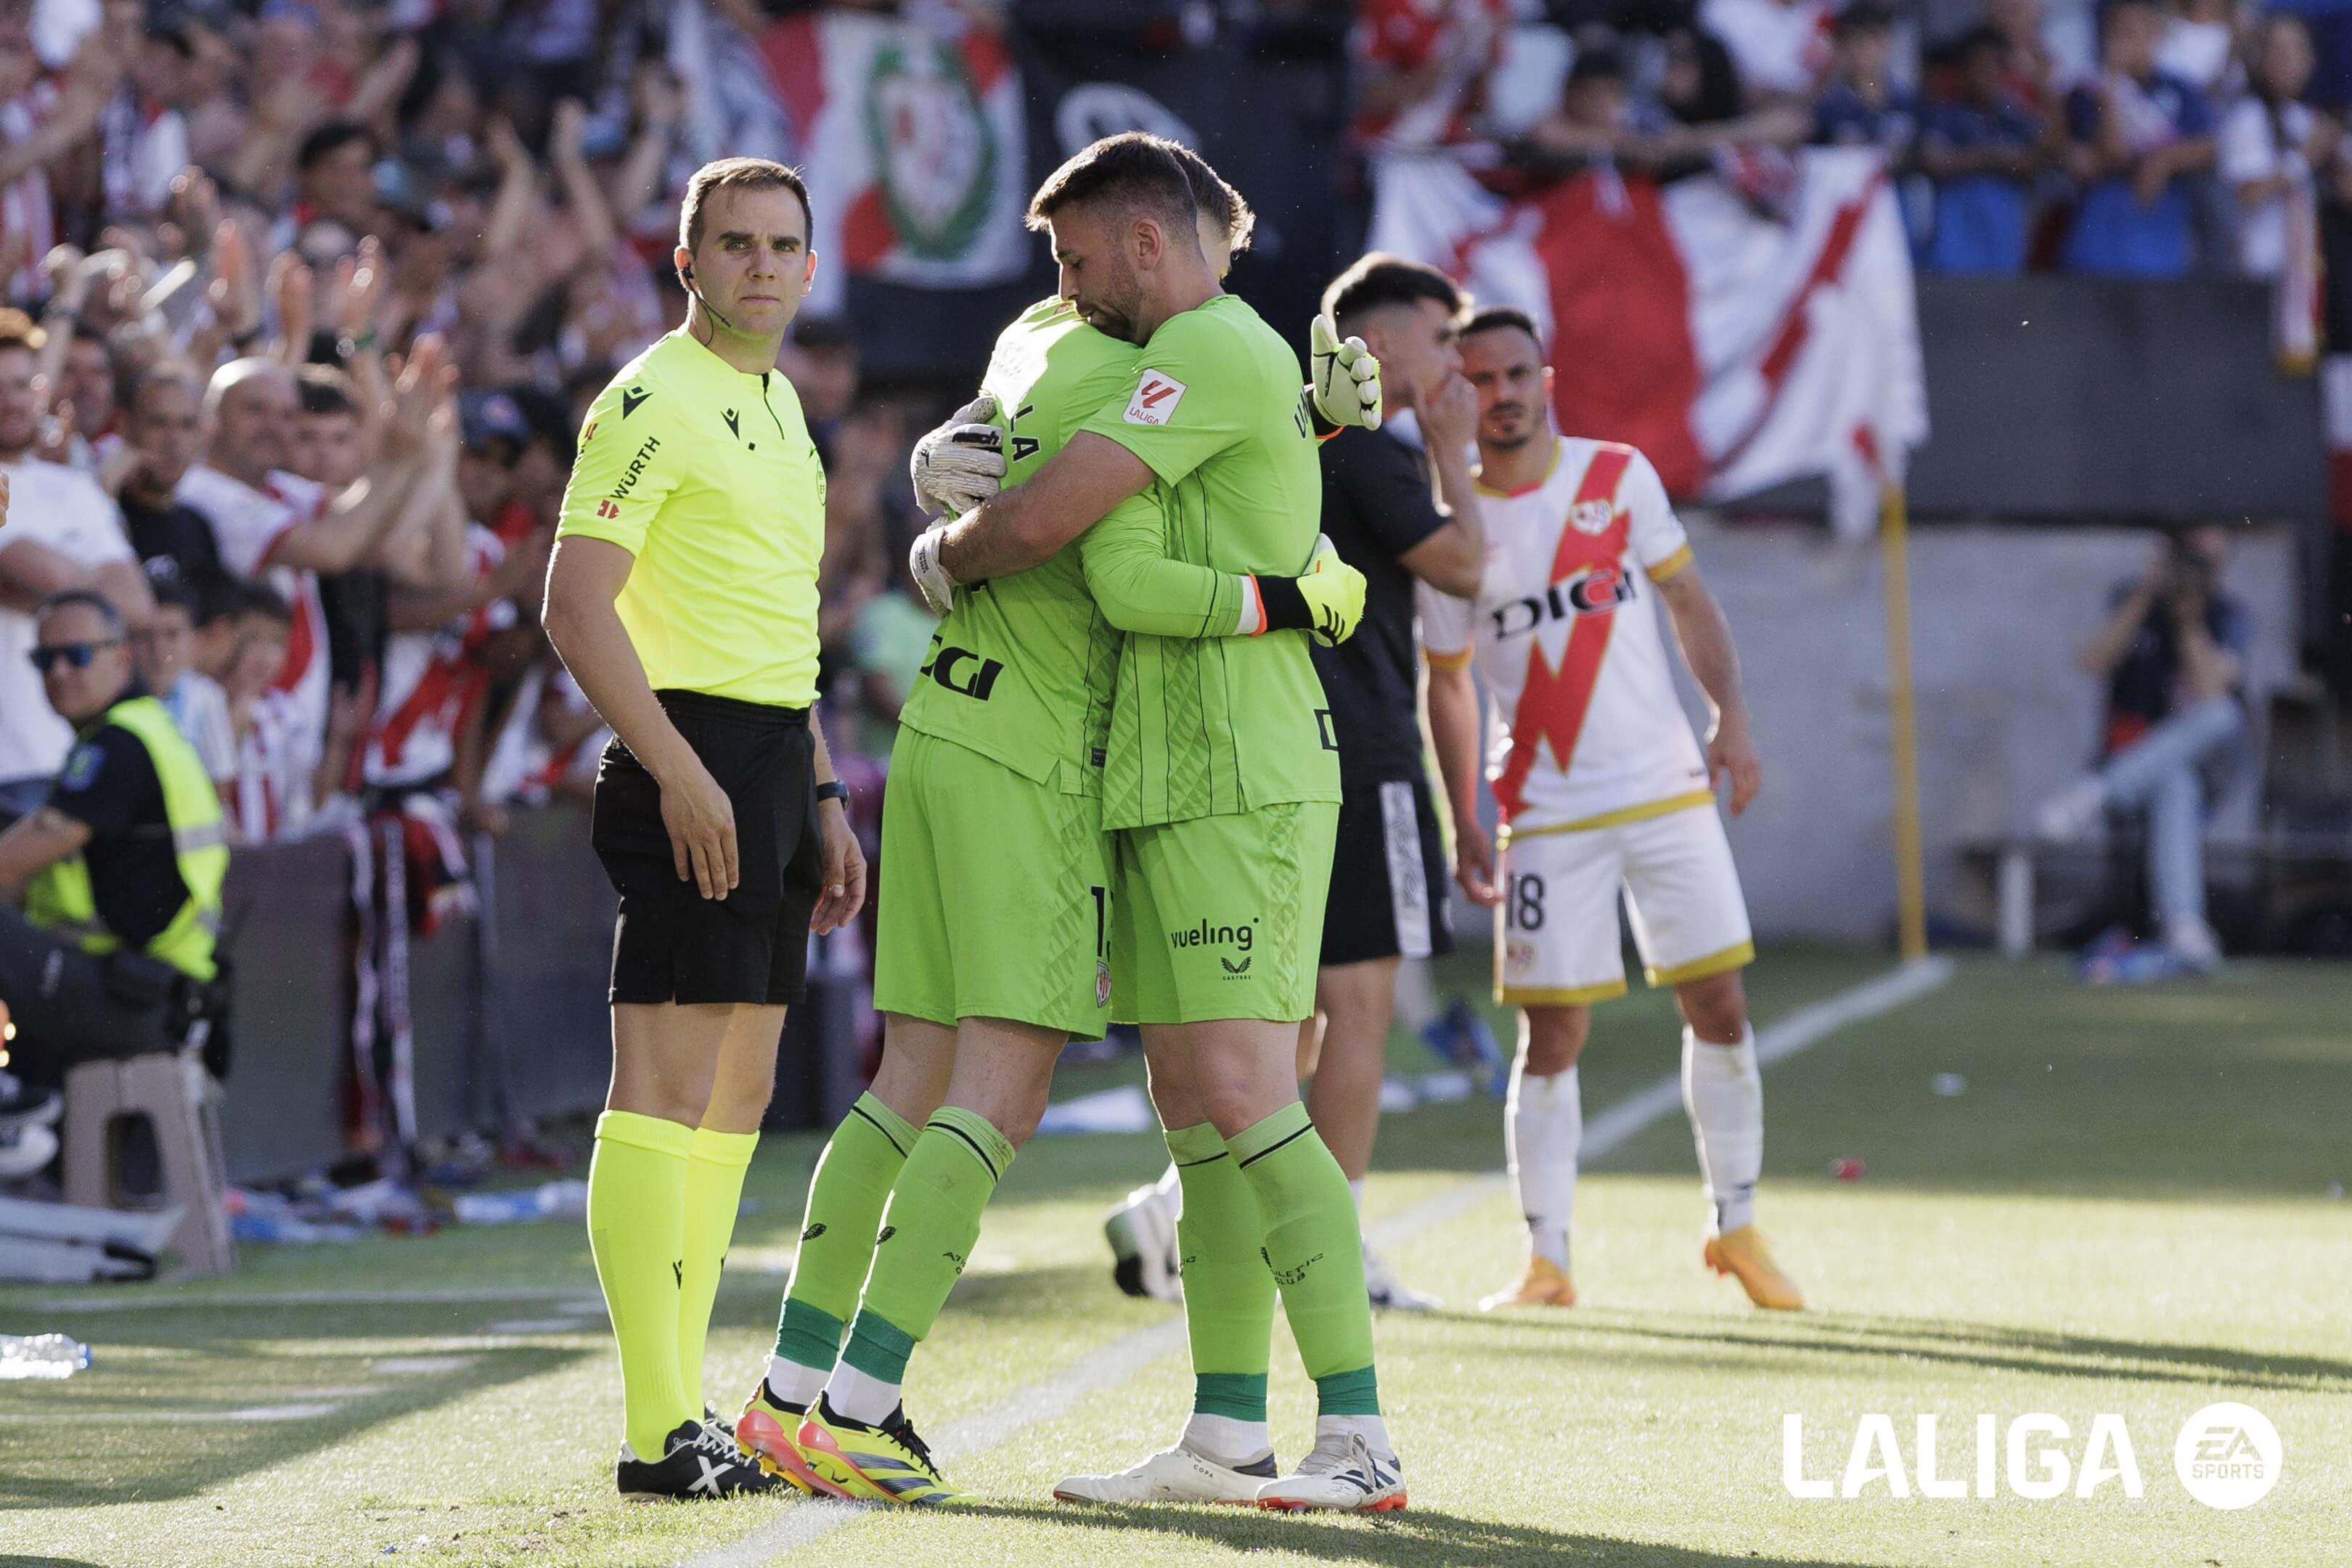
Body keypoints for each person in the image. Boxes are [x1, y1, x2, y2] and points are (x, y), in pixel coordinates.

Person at [751, 137, 1374, 1511]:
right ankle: (858, 1405)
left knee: (960, 1082)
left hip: (996, 736)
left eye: (1076, 250)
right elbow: (1078, 529)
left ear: (1142, 240)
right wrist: (1304, 580)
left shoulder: (1063, 341)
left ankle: (795, 1393)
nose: (1061, 277)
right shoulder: (1139, 344)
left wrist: (931, 518)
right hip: (1060, 759)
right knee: (1030, 1089)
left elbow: (1050, 461)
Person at [541, 155, 864, 1503]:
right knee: (664, 1094)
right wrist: (676, 771)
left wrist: (828, 795)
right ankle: (656, 1423)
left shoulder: (784, 403)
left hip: (774, 761)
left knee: (735, 1103)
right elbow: (574, 603)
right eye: (735, 245)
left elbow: (782, 629)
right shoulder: (648, 397)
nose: (764, 268)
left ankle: (688, 1414)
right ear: (689, 263)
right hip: (690, 758)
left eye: (785, 245)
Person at [1101, 253, 1484, 1316]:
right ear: (1386, 338)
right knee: (1356, 1003)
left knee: (1286, 1014)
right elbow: (1466, 567)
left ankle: (1176, 1210)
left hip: (1274, 742)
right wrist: (1452, 457)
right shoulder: (1366, 447)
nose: (1453, 360)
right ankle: (1338, 1239)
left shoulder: (1290, 428)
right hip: (1356, 751)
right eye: (1441, 338)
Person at [1419, 307, 1802, 1316]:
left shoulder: (1617, 475)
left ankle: (1739, 1226)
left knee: (1719, 1004)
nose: (1501, 394)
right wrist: (1460, 812)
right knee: (1554, 1035)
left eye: (1515, 373)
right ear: (1457, 395)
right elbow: (1448, 684)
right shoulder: (1448, 531)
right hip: (1543, 810)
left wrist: (1732, 721)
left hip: (1667, 790)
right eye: (1480, 380)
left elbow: (1690, 600)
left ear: (1546, 377)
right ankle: (1546, 1260)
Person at [0, 591, 227, 1107]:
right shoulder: (143, 728)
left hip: (129, 996)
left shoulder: (118, 743)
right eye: (44, 659)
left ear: (122, 658)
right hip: (156, 991)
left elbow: (25, 852)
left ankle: (11, 1096)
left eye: (77, 655)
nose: (59, 672)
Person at [2035, 524, 2247, 972]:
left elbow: (2212, 689)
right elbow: (2093, 661)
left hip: (2199, 766)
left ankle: (2094, 794)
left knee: (2223, 716)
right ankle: (2184, 923)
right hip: (2139, 762)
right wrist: (2147, 595)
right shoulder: (2134, 600)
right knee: (2174, 781)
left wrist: (2189, 621)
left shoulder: (2228, 614)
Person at [0, 319, 151, 820]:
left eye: (21, 385)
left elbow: (135, 603)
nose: (11, 400)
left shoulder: (73, 487)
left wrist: (52, 587)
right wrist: (88, 586)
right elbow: (34, 572)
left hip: (72, 758)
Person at [2060, 0, 2215, 279]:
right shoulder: (2087, 92)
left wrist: (2164, 160)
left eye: (2138, 31)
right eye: (2120, 33)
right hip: (2104, 232)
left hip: (2162, 227)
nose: (2129, 42)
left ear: (2156, 34)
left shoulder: (2178, 88)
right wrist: (2111, 93)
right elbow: (2111, 153)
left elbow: (2209, 146)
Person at [1916, 25, 2045, 275]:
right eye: (1977, 66)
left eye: (1993, 67)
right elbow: (1935, 161)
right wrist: (1995, 158)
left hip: (2003, 245)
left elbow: (2036, 162)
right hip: (1955, 247)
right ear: (1963, 72)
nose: (1985, 74)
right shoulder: (1945, 114)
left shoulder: (2014, 116)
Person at [2218, 13, 2335, 280]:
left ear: (2311, 61)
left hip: (2304, 267)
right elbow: (2250, 193)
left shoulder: (2307, 119)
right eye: (2279, 50)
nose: (2289, 61)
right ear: (2261, 59)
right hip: (2257, 267)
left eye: (2298, 50)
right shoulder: (2247, 116)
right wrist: (2304, 158)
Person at [136, 573, 235, 787]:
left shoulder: (206, 697)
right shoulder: (117, 698)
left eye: (172, 635)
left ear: (194, 639)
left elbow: (221, 780)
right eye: (145, 635)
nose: (159, 649)